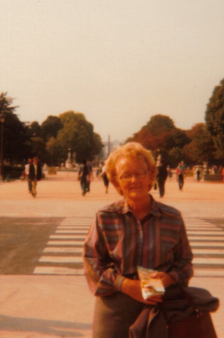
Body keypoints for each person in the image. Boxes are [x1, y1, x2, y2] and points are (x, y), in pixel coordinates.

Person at [83, 142, 193, 338]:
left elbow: (185, 262)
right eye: (126, 175)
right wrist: (125, 285)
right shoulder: (105, 217)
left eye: (140, 173)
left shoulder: (172, 218)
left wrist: (168, 278)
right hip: (116, 305)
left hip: (160, 304)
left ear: (151, 176)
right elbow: (91, 261)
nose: (134, 180)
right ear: (116, 181)